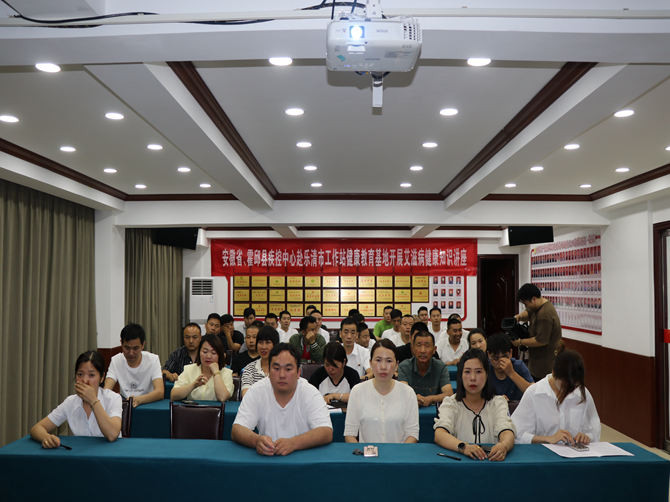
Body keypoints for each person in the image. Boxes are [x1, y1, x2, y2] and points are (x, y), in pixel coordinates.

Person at [231, 343, 333, 456]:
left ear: (298, 372)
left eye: (288, 369)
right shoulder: (257, 390)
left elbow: (326, 431)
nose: (282, 375)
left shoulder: (310, 393)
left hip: (303, 458)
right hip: (268, 457)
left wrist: (293, 443)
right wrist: (256, 441)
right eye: (276, 368)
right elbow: (237, 429)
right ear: (269, 370)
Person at [434, 349, 516, 461]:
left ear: (487, 375)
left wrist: (504, 445)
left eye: (478, 372)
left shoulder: (498, 402)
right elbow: (439, 434)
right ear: (460, 375)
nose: (473, 378)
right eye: (467, 372)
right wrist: (463, 447)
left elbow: (507, 431)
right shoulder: (451, 403)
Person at [30, 351, 122, 447]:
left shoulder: (113, 398)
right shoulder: (71, 402)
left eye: (91, 375)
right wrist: (46, 437)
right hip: (82, 453)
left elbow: (112, 435)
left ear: (102, 378)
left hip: (110, 453)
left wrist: (93, 401)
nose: (85, 381)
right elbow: (37, 428)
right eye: (80, 374)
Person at [512, 349, 600, 445]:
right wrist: (547, 439)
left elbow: (594, 430)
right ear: (554, 373)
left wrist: (587, 437)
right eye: (565, 385)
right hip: (541, 451)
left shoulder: (583, 393)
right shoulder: (534, 394)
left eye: (574, 385)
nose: (570, 390)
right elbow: (517, 434)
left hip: (573, 451)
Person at [344, 339, 419, 443]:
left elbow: (412, 434)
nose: (383, 367)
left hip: (400, 452)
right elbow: (350, 434)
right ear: (370, 363)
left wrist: (400, 452)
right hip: (367, 453)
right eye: (378, 360)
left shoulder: (408, 393)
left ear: (397, 365)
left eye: (389, 361)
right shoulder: (357, 391)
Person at [511, 283, 562, 381]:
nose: (526, 307)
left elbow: (541, 341)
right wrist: (519, 317)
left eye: (526, 304)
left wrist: (520, 342)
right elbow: (528, 313)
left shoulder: (544, 314)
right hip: (537, 362)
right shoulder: (539, 305)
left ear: (533, 299)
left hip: (544, 366)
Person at [104, 323, 163, 407]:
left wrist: (139, 399)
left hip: (148, 404)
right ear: (121, 343)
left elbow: (160, 392)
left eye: (135, 348)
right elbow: (107, 390)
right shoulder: (116, 360)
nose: (131, 353)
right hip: (126, 405)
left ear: (143, 345)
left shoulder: (153, 360)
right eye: (127, 348)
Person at [170, 334, 234, 402]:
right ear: (199, 352)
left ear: (220, 355)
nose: (208, 356)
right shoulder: (189, 369)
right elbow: (173, 395)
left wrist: (216, 373)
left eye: (213, 353)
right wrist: (193, 385)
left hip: (216, 409)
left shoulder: (226, 373)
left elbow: (222, 397)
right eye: (205, 352)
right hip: (193, 408)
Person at [398, 329, 453, 407]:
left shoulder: (440, 367)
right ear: (412, 349)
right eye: (419, 345)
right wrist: (414, 398)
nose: (422, 350)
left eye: (427, 346)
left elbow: (449, 393)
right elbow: (403, 393)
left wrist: (430, 399)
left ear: (434, 350)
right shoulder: (404, 366)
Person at [486, 332, 533, 401]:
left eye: (505, 357)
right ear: (489, 355)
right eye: (496, 358)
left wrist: (511, 373)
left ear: (511, 353)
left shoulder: (518, 366)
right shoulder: (485, 368)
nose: (500, 362)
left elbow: (533, 392)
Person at [241, 326, 279, 397]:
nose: (263, 347)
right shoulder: (249, 369)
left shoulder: (283, 369)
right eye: (260, 342)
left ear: (275, 345)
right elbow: (246, 396)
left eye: (268, 342)